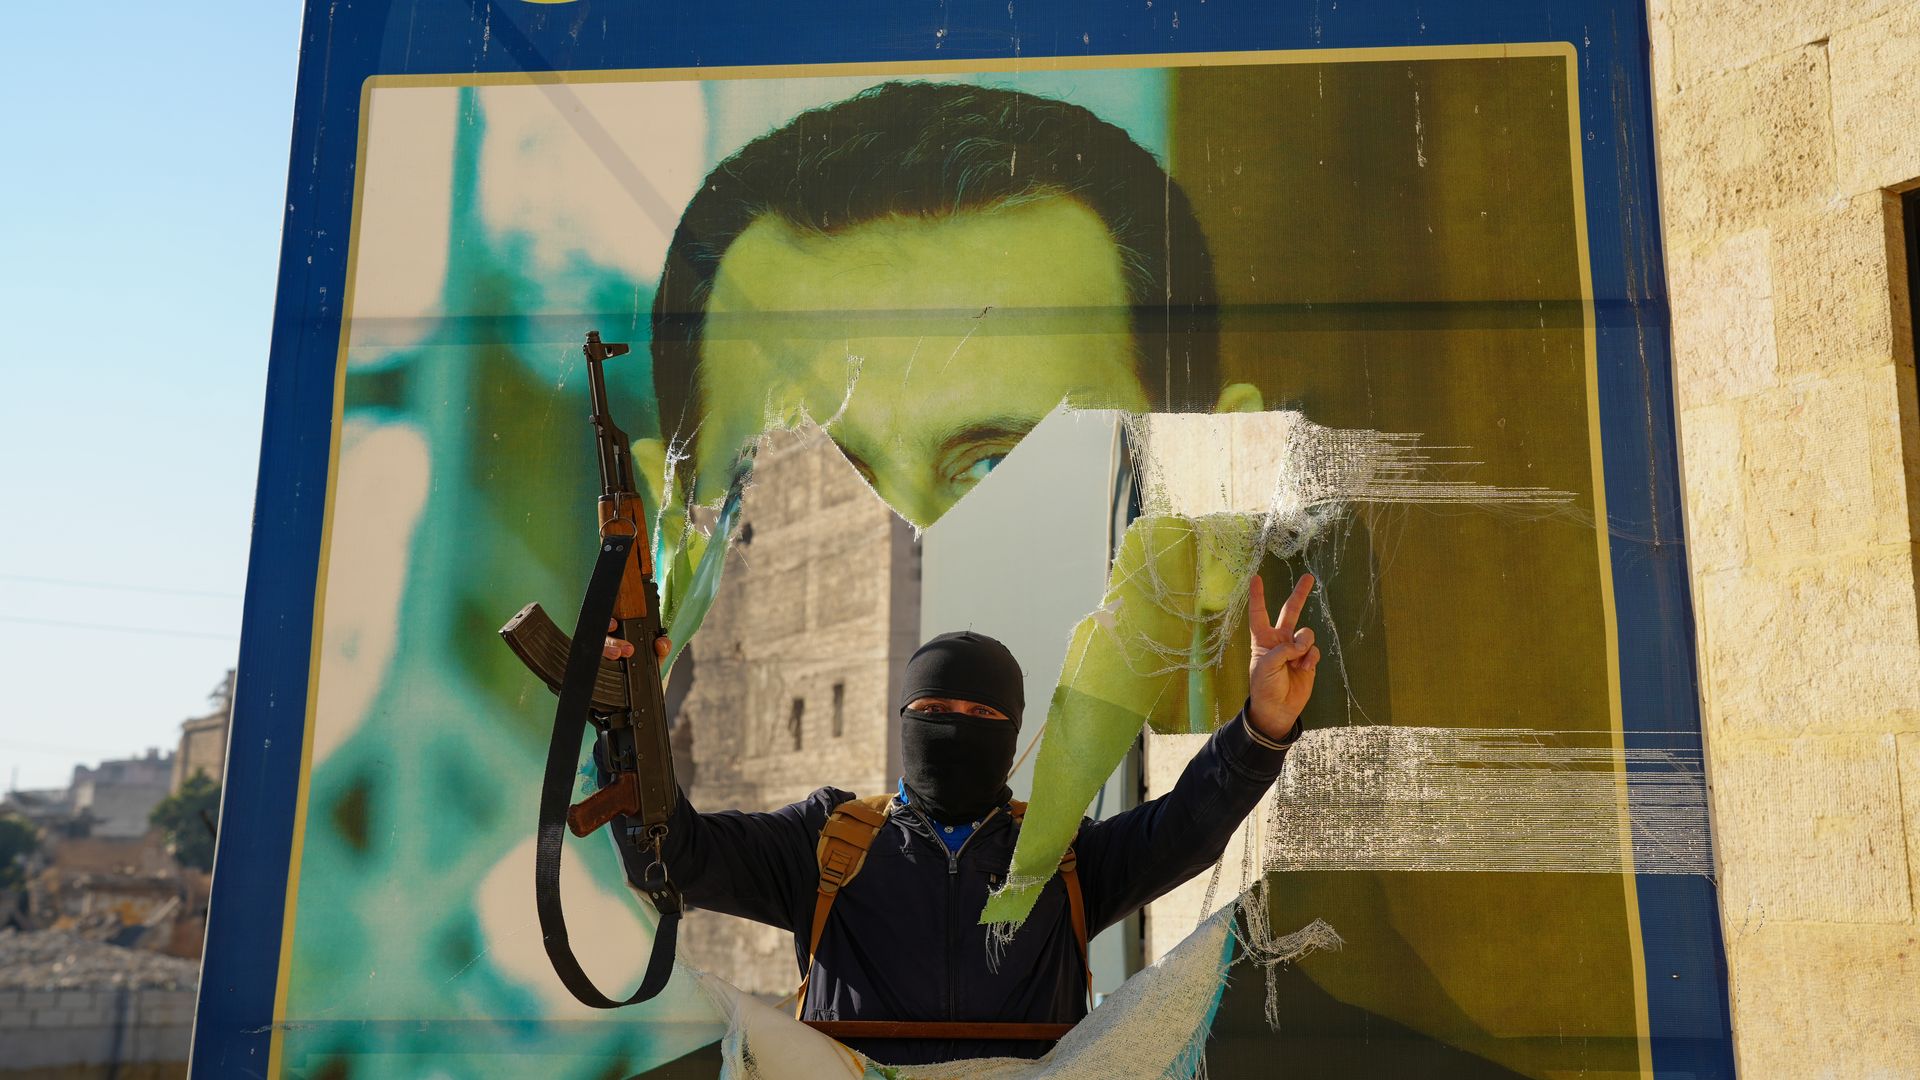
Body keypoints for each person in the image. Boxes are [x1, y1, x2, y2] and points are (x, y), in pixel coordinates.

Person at [603, 572, 1320, 1067]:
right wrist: (624, 713)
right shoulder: (826, 841)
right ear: (903, 720)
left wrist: (1261, 725)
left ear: (1012, 734)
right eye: (935, 709)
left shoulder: (1060, 858)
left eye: (981, 713)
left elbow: (1186, 828)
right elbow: (673, 856)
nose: (955, 725)